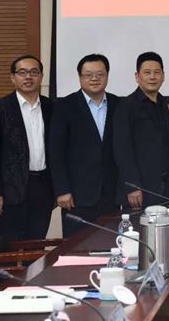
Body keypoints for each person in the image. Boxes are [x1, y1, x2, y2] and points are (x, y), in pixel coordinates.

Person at [48, 54, 119, 237]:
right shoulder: (64, 106)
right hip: (77, 196)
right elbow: (56, 151)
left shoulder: (118, 104)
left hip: (111, 194)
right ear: (80, 77)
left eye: (99, 74)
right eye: (88, 75)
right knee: (77, 247)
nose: (94, 79)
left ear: (107, 76)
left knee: (111, 244)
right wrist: (62, 190)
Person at [0, 54, 53, 240]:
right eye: (22, 72)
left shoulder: (51, 107)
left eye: (34, 72)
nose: (28, 77)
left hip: (44, 186)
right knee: (13, 243)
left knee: (38, 240)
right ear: (12, 78)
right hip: (11, 188)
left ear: (41, 77)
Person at [113, 52, 169, 208]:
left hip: (163, 186)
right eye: (147, 72)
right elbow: (122, 149)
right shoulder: (126, 106)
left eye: (157, 72)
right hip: (139, 189)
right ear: (137, 76)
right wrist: (132, 185)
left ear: (163, 76)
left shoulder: (162, 103)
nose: (152, 77)